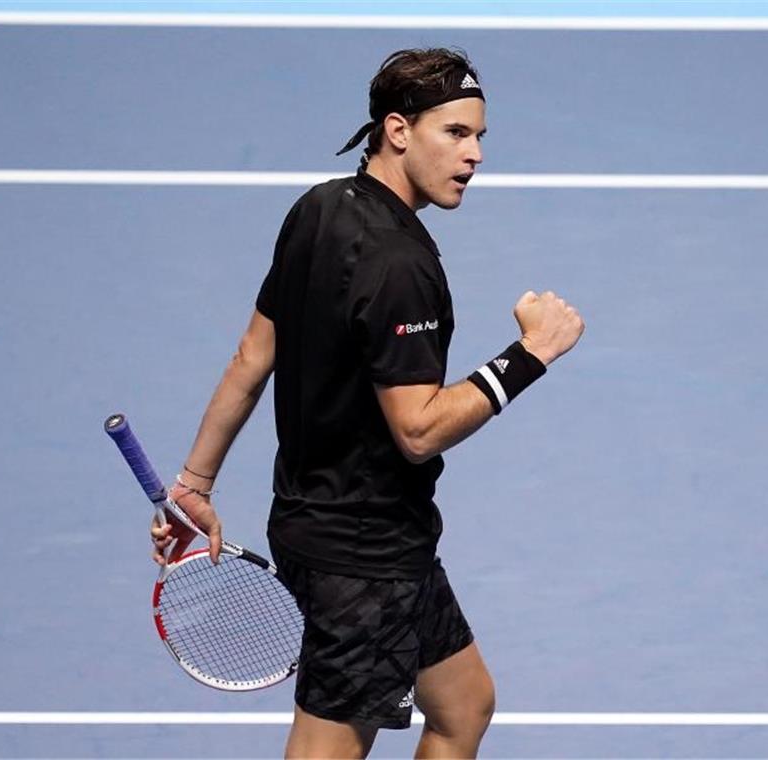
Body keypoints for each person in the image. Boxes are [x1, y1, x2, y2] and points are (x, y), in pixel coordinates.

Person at [150, 48, 584, 759]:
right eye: (455, 134)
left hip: (339, 527)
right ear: (398, 130)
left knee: (464, 706)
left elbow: (251, 358)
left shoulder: (318, 208)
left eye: (479, 137)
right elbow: (417, 431)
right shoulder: (401, 267)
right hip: (362, 559)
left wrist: (194, 484)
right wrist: (527, 357)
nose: (474, 155)